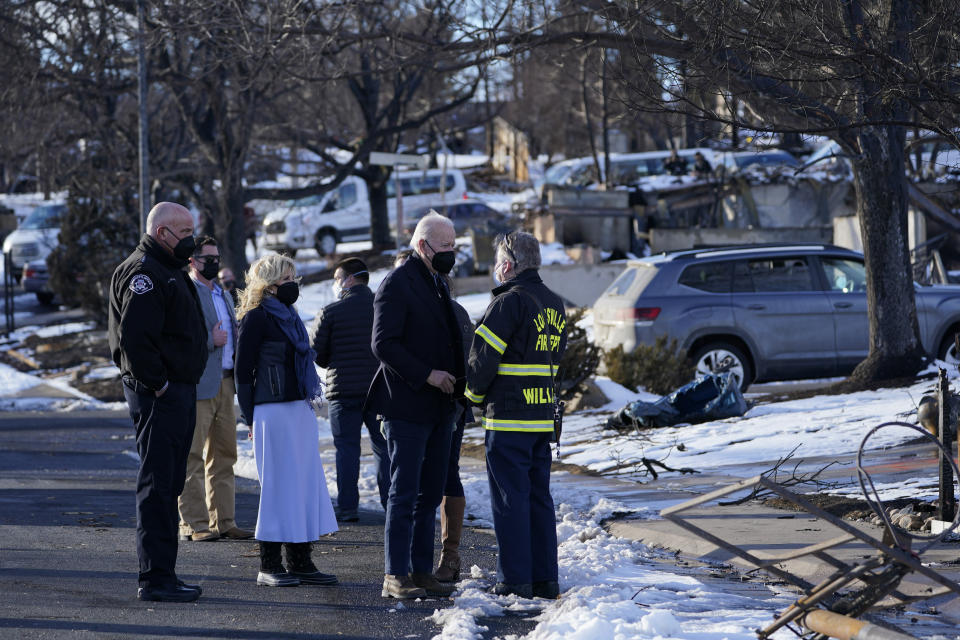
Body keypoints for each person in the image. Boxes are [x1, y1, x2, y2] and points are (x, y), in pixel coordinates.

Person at [108, 201, 207, 603]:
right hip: (159, 396)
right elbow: (134, 340)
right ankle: (154, 578)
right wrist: (160, 385)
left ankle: (165, 572)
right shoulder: (144, 273)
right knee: (157, 485)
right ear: (162, 232)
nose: (192, 241)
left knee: (170, 485)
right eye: (185, 233)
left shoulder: (167, 268)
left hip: (176, 393)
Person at [464, 230, 567, 600]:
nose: (496, 271)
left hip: (507, 419)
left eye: (496, 264)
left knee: (510, 501)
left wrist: (472, 397)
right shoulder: (555, 304)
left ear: (507, 266)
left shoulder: (508, 303)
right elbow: (555, 361)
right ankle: (545, 579)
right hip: (542, 419)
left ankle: (514, 581)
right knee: (539, 500)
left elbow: (481, 360)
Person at [367, 213, 463, 599]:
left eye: (454, 246)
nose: (451, 254)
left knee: (431, 491)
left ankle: (422, 570)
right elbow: (383, 344)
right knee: (403, 492)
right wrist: (427, 375)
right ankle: (395, 574)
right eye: (445, 248)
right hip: (406, 404)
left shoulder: (436, 282)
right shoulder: (397, 283)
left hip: (440, 408)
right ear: (422, 246)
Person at [234, 254, 338, 587]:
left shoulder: (291, 316)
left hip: (298, 410)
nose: (293, 285)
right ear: (270, 285)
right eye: (287, 279)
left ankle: (301, 561)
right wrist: (251, 419)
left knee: (304, 484)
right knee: (279, 488)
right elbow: (242, 373)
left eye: (295, 278)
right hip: (271, 411)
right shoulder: (257, 318)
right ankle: (269, 564)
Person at [392, 249, 472, 585]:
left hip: (442, 407)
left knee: (431, 481)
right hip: (437, 406)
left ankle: (443, 555)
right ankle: (426, 560)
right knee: (425, 483)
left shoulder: (451, 313)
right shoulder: (452, 311)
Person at [177, 237, 254, 543]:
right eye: (208, 258)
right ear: (192, 261)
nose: (214, 262)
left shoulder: (222, 292)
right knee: (192, 456)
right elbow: (179, 337)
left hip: (226, 382)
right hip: (198, 383)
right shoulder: (185, 291)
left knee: (224, 455)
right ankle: (194, 524)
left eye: (216, 257)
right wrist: (211, 341)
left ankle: (223, 520)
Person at [310, 257, 389, 522]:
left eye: (337, 279)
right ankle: (391, 504)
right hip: (379, 389)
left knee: (346, 449)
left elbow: (318, 355)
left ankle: (347, 508)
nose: (335, 284)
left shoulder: (331, 312)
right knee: (383, 447)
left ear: (349, 279)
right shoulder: (383, 308)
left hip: (342, 391)